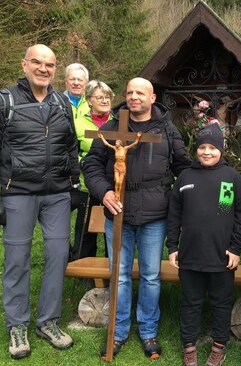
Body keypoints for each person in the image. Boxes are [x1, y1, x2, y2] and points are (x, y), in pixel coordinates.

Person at [82, 77, 191, 360]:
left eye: (140, 93)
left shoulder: (166, 130)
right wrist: (104, 192)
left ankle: (148, 330)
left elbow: (183, 167)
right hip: (117, 212)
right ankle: (117, 332)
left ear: (152, 97)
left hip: (155, 215)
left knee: (151, 276)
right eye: (129, 92)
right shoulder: (112, 127)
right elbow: (91, 165)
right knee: (118, 274)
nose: (134, 97)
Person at [0, 44, 79, 359]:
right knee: (17, 259)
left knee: (58, 255)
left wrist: (73, 184)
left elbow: (71, 144)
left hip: (57, 193)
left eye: (50, 64)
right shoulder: (5, 100)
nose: (44, 69)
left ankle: (49, 321)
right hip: (18, 191)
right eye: (38, 63)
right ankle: (17, 326)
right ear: (24, 64)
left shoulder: (62, 102)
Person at [167, 123, 241, 366]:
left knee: (220, 303)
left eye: (212, 147)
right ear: (196, 150)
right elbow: (174, 214)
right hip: (190, 255)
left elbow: (239, 216)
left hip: (221, 257)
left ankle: (219, 346)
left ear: (221, 150)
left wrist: (235, 248)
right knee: (190, 303)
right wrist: (173, 245)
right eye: (202, 147)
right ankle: (189, 346)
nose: (206, 152)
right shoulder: (185, 177)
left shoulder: (230, 178)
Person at [71, 80, 114, 260]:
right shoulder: (77, 123)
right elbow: (70, 150)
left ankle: (111, 266)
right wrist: (84, 163)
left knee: (111, 229)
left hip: (112, 185)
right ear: (89, 100)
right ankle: (83, 270)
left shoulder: (119, 122)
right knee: (87, 229)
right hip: (87, 185)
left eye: (107, 97)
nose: (104, 101)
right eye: (99, 97)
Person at [97, 132, 142, 202]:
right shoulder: (115, 148)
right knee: (117, 181)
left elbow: (134, 144)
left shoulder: (125, 149)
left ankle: (118, 193)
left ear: (120, 143)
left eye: (117, 143)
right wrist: (102, 137)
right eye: (115, 143)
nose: (116, 144)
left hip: (122, 167)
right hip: (116, 166)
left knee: (120, 182)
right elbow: (107, 144)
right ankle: (116, 193)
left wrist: (138, 137)